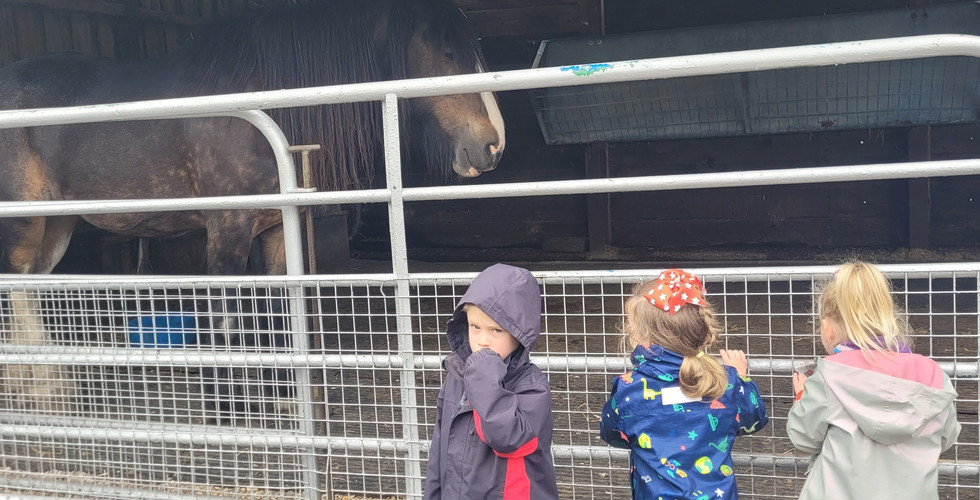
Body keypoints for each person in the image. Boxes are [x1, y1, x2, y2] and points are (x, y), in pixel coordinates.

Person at [787, 261, 961, 499]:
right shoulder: (933, 376)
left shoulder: (829, 377)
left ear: (828, 328)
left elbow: (804, 438)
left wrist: (801, 398)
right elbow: (947, 437)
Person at [600, 269, 768, 500]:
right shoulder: (726, 381)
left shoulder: (630, 386)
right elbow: (754, 420)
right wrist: (742, 379)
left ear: (642, 336)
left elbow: (613, 434)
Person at [423, 263, 559, 499]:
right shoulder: (456, 378)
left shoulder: (531, 386)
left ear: (519, 334)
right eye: (475, 327)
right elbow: (439, 449)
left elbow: (508, 439)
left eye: (496, 331)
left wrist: (484, 377)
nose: (482, 340)